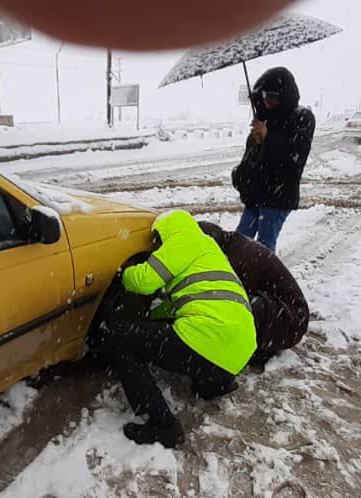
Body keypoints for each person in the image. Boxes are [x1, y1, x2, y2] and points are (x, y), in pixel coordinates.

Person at [100, 210, 256, 448]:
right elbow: (189, 301)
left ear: (164, 231)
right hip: (240, 348)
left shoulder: (181, 240)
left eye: (156, 241)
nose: (155, 247)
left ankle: (163, 426)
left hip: (209, 338)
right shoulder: (208, 248)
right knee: (194, 338)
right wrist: (152, 317)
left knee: (119, 339)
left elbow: (143, 281)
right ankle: (215, 383)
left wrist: (122, 273)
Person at [199, 222, 309, 370]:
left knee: (231, 304)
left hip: (290, 322)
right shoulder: (232, 244)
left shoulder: (240, 258)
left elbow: (234, 301)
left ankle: (255, 350)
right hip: (279, 314)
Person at [232, 67, 316, 250]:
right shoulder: (263, 120)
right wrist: (240, 175)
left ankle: (262, 279)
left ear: (284, 96)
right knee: (239, 243)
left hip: (278, 196)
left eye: (272, 97)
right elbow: (250, 160)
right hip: (256, 195)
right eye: (264, 97)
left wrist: (268, 137)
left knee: (263, 248)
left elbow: (295, 157)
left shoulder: (302, 117)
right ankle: (237, 278)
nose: (267, 102)